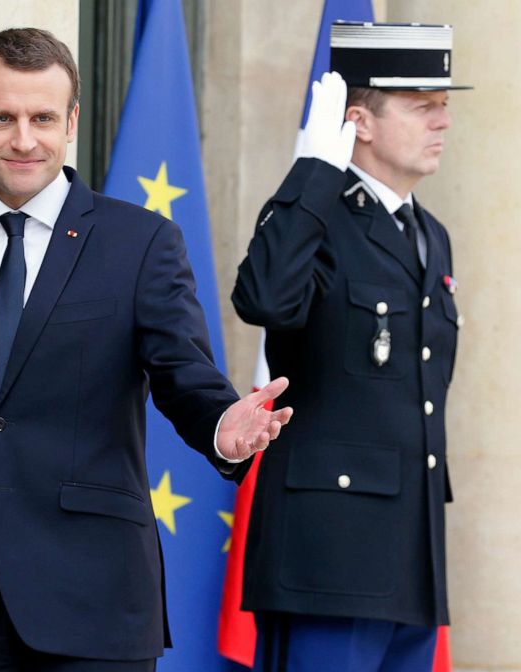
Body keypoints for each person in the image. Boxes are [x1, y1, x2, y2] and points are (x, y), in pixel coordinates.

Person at [0, 28, 293, 671]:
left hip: (96, 598)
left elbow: (184, 372)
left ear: (72, 121)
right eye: (1, 118)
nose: (23, 139)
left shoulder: (140, 243)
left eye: (43, 117)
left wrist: (221, 425)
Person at [232, 21, 469, 671]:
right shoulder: (315, 215)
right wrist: (312, 170)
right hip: (326, 562)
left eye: (444, 106)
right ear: (359, 121)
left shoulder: (430, 234)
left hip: (409, 561)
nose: (442, 121)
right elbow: (264, 299)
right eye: (424, 106)